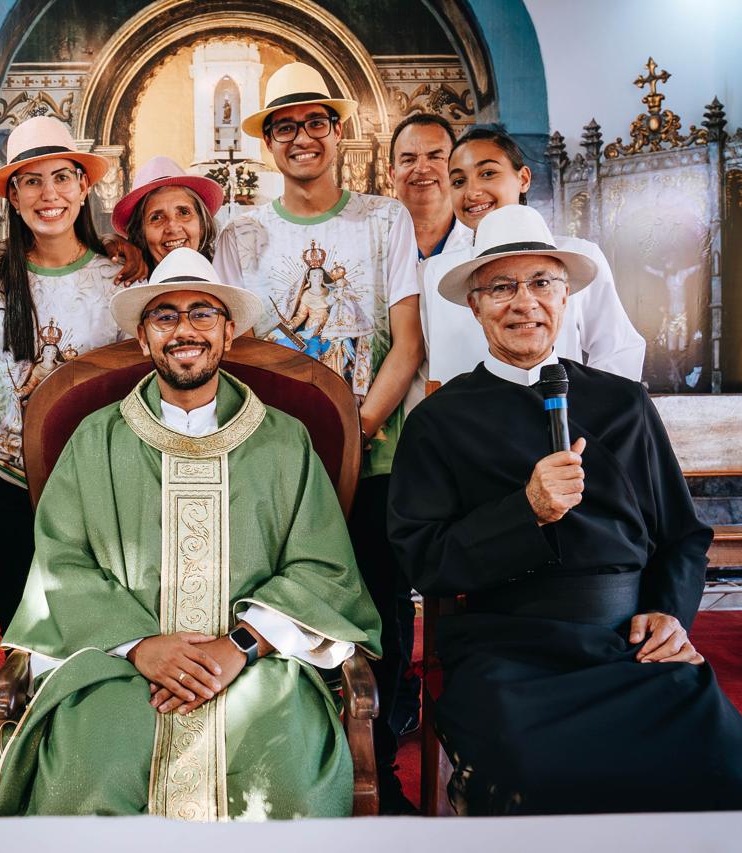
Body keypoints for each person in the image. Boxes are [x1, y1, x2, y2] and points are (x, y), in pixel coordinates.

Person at [387, 211, 742, 815]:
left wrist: (668, 614)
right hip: (509, 651)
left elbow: (682, 536)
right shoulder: (438, 421)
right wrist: (526, 510)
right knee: (542, 784)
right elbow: (425, 562)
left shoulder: (623, 402)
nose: (525, 304)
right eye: (501, 287)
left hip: (629, 644)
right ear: (474, 305)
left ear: (566, 295)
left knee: (721, 766)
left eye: (541, 282)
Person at [0, 248, 382, 818]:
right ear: (144, 338)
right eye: (165, 317)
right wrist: (141, 645)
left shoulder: (283, 440)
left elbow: (323, 568)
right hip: (120, 667)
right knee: (88, 776)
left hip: (258, 666)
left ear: (227, 334)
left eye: (203, 314)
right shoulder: (95, 440)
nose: (185, 330)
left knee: (287, 784)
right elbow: (62, 566)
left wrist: (239, 646)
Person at [214, 61, 424, 808]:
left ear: (337, 132)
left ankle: (384, 761)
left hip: (372, 451)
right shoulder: (239, 234)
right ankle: (292, 758)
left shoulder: (383, 219)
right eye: (285, 126)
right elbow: (232, 349)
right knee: (282, 603)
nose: (301, 137)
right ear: (268, 143)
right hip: (276, 462)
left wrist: (359, 429)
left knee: (379, 600)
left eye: (315, 122)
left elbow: (407, 340)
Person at [0, 116, 125, 632]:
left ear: (83, 186)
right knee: (19, 627)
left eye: (61, 177)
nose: (47, 194)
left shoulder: (118, 277)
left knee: (85, 624)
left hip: (88, 479)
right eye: (31, 180)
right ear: (12, 194)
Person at [420, 125, 645, 383]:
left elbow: (618, 347)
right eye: (459, 181)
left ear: (523, 179)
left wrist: (588, 411)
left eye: (488, 173)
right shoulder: (435, 271)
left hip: (557, 412)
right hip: (462, 419)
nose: (472, 192)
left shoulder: (576, 256)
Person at [112, 155, 224, 267]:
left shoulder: (226, 275)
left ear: (202, 226)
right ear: (140, 234)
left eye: (184, 213)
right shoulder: (120, 279)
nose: (173, 228)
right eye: (156, 218)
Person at [387, 113, 460, 262]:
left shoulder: (484, 238)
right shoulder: (366, 242)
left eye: (435, 157)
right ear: (392, 175)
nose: (422, 168)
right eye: (408, 160)